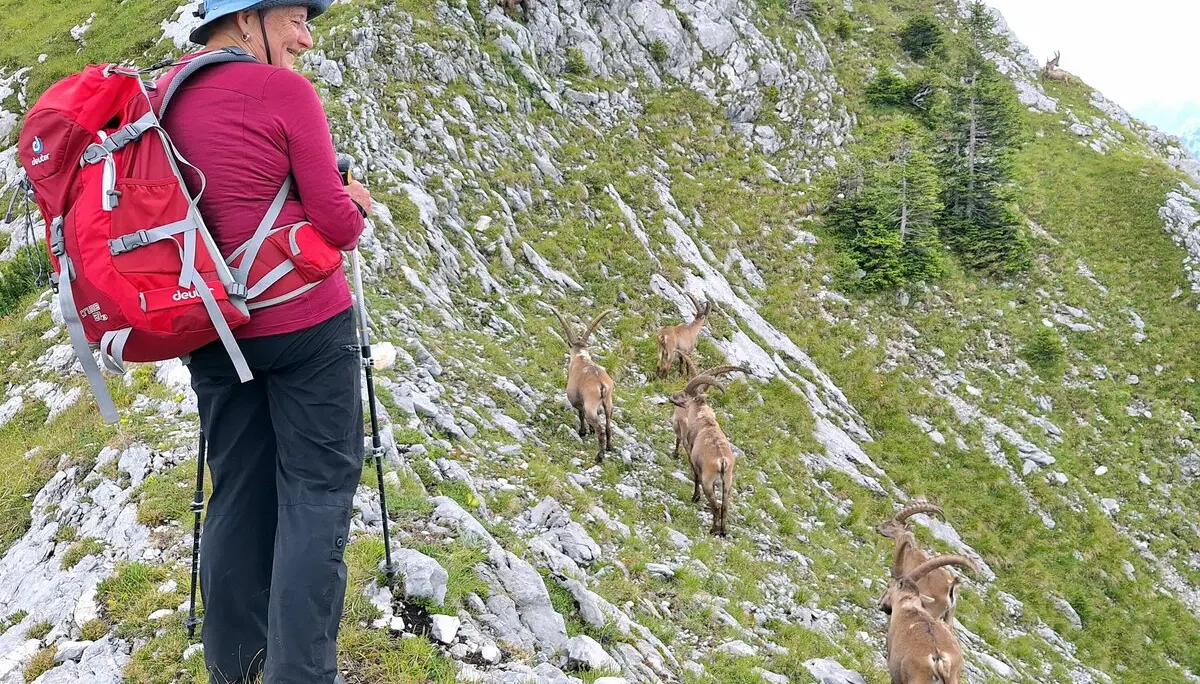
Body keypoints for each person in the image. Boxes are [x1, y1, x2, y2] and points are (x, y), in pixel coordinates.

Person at [159, 1, 373, 682]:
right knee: (314, 493)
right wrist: (355, 200)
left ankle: (236, 667)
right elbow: (337, 224)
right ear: (248, 18)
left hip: (216, 333)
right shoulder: (283, 90)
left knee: (238, 493)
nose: (306, 37)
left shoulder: (165, 96)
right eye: (294, 19)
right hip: (308, 329)